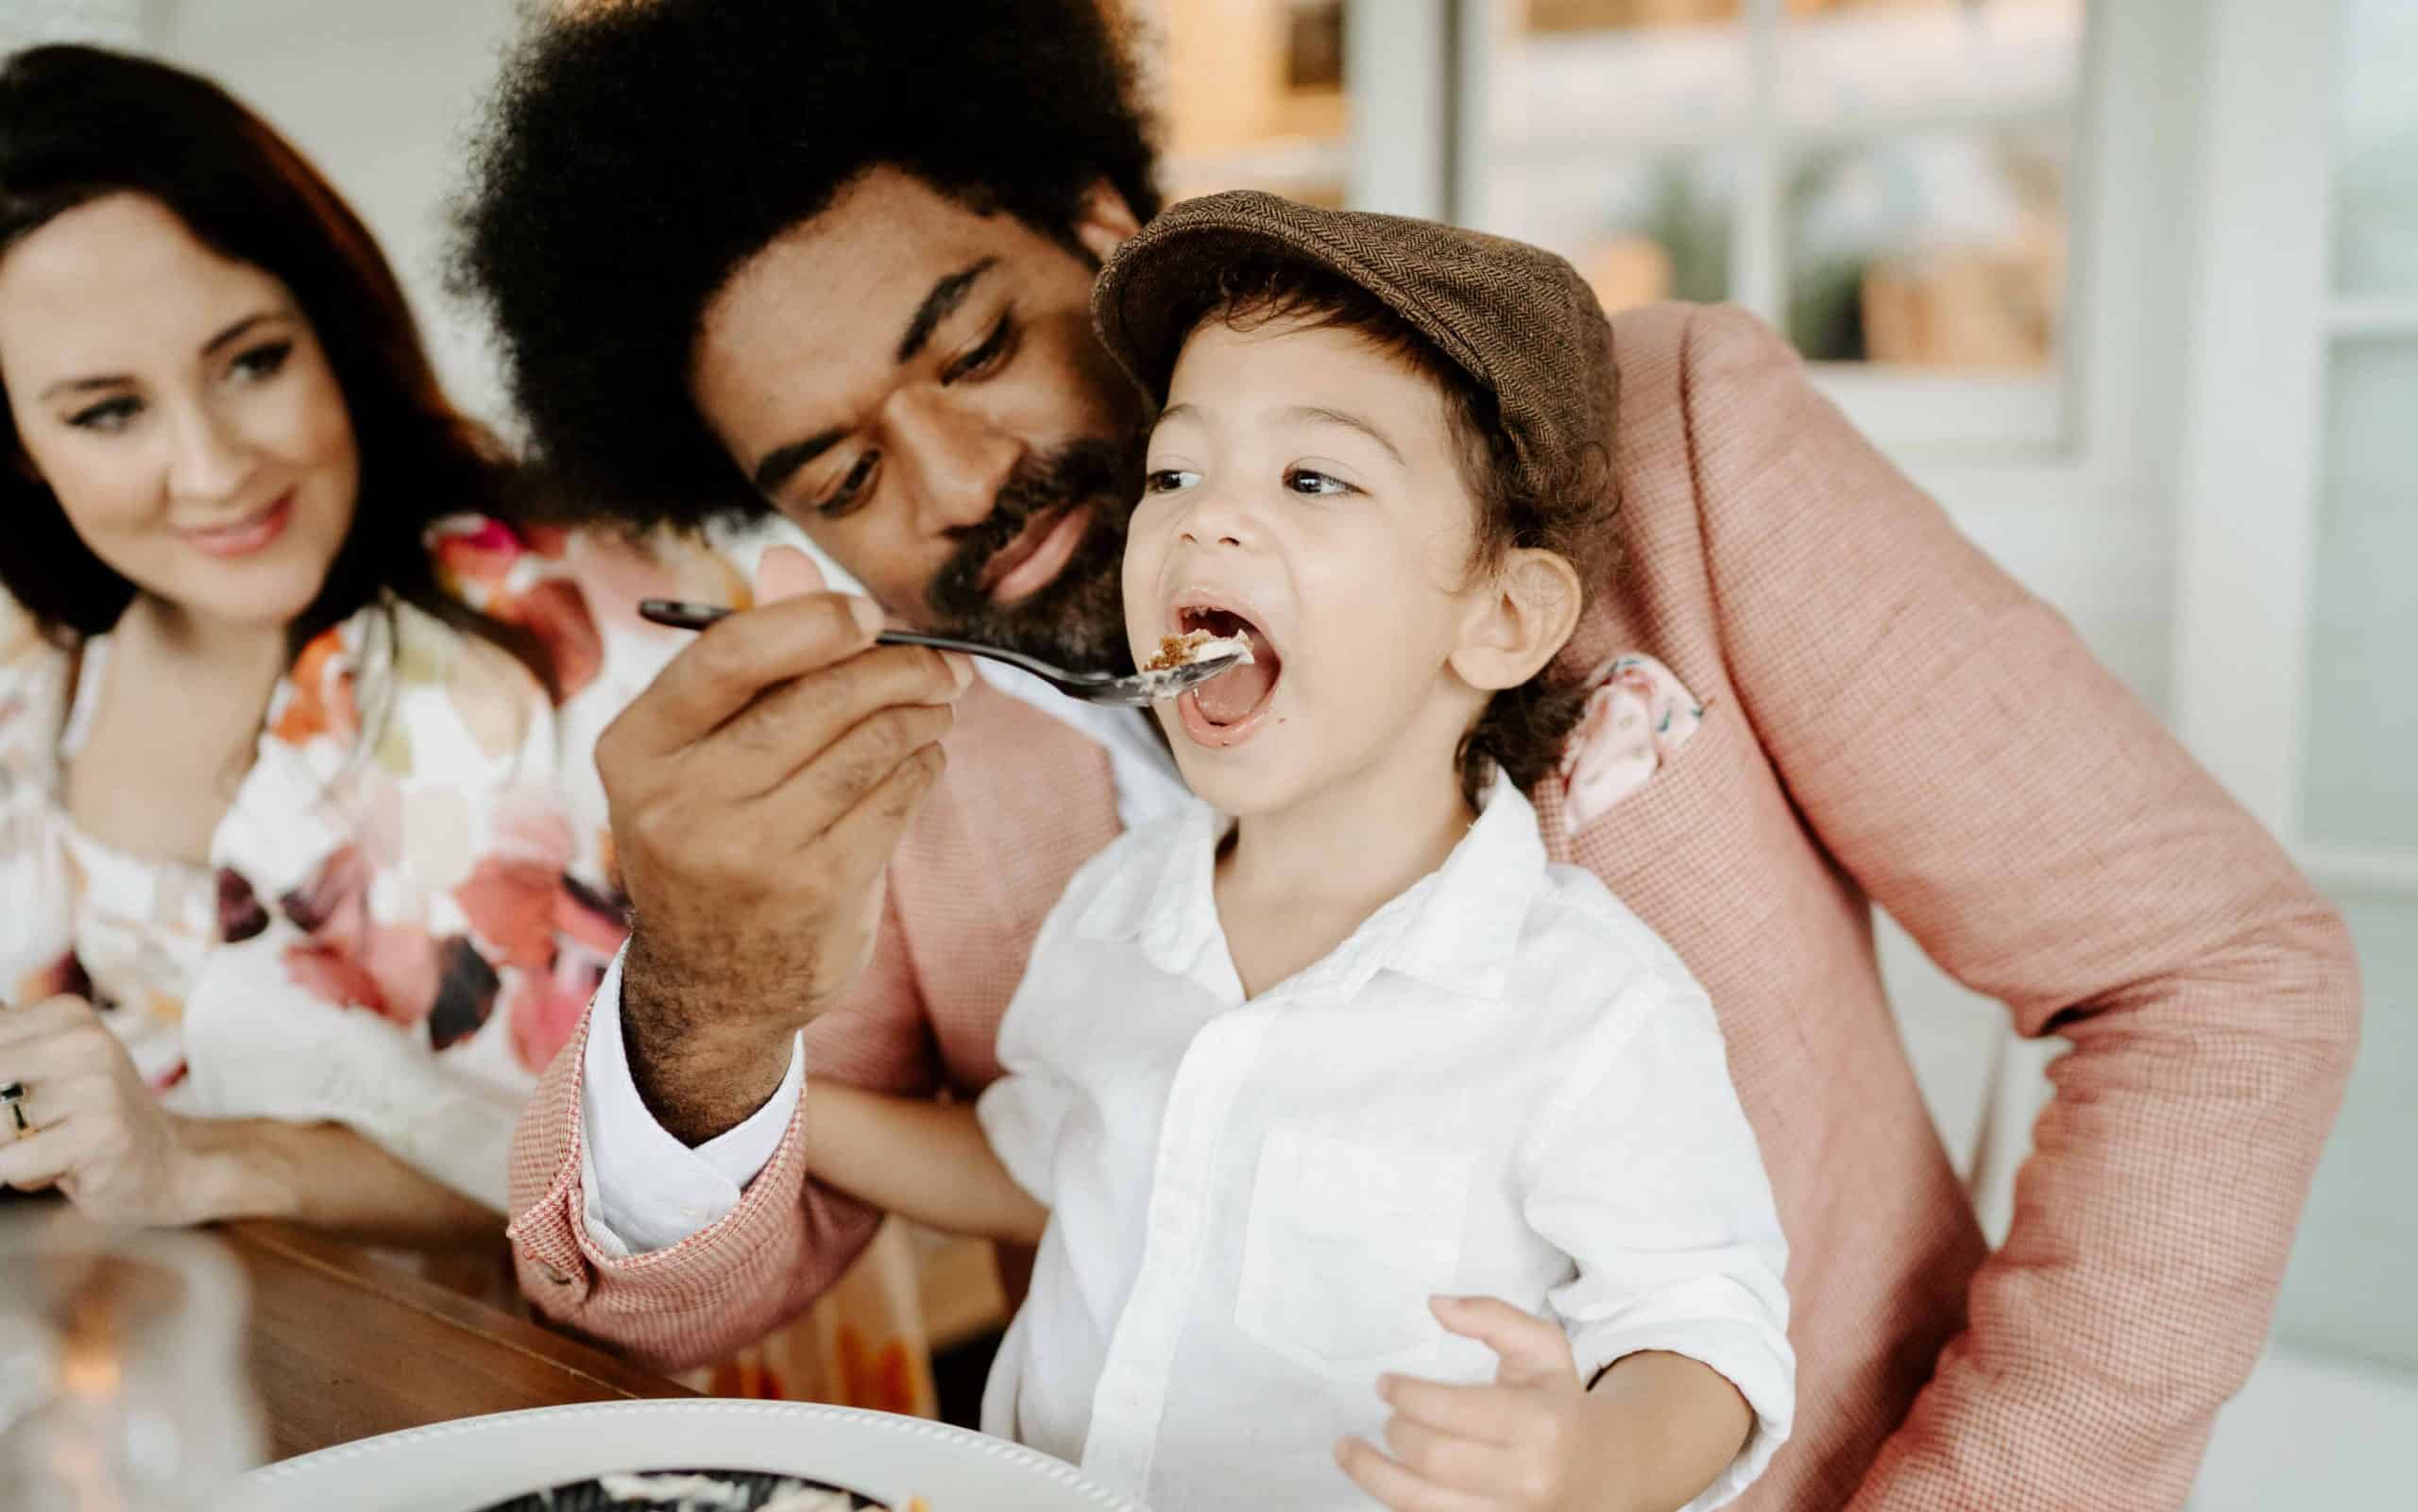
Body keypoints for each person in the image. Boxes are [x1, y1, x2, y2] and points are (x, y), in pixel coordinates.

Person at [455, 3, 2362, 1506]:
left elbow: (2205, 977)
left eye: (973, 348)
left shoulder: (1666, 442)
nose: (964, 486)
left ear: (1103, 233)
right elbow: (725, 1260)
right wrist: (692, 991)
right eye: (843, 474)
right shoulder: (905, 755)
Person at [799, 207, 1796, 1512]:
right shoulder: (1110, 914)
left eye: (1312, 480)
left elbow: (1704, 1333)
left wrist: (1595, 1459)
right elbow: (1046, 1160)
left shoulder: (1589, 1006)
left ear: (1500, 616)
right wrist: (773, 1110)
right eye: (1173, 474)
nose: (1205, 525)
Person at [0, 43, 594, 1247]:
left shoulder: (555, 626)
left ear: (335, 331)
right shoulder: (34, 697)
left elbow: (648, 1179)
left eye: (252, 361)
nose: (214, 471)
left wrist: (206, 1160)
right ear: (16, 444)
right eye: (108, 411)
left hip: (581, 1402)